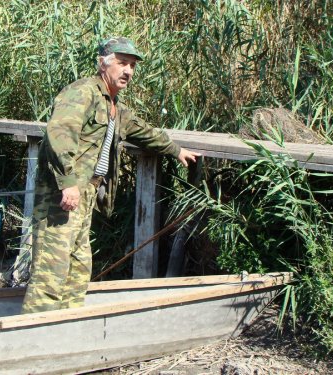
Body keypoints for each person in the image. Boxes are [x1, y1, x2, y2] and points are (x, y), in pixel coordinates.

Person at [21, 37, 200, 314]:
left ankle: (67, 323)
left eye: (132, 66)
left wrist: (176, 150)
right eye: (122, 63)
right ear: (103, 63)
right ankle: (32, 333)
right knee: (51, 268)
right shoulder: (82, 93)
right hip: (63, 194)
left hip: (86, 194)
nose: (128, 71)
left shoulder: (113, 105)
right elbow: (59, 136)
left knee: (79, 266)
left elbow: (143, 131)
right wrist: (68, 184)